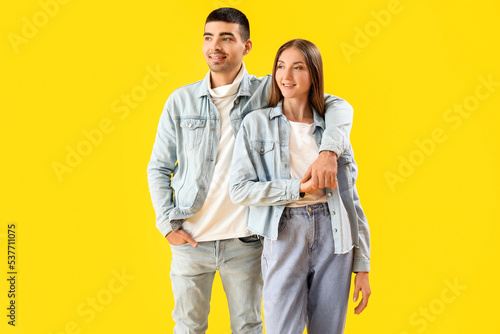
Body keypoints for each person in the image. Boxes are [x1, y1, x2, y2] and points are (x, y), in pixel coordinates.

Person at [147, 8, 355, 334]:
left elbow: (337, 106)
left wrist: (329, 152)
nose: (215, 46)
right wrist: (166, 223)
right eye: (209, 37)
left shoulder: (268, 90)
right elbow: (159, 167)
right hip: (190, 240)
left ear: (246, 47)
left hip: (245, 241)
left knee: (249, 326)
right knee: (187, 326)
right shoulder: (181, 101)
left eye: (226, 38)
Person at [229, 39, 371, 334]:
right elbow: (239, 189)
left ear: (314, 74)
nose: (286, 76)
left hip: (335, 234)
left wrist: (363, 263)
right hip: (283, 231)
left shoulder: (332, 129)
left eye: (298, 67)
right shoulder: (256, 123)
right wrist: (297, 189)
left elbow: (349, 197)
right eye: (281, 67)